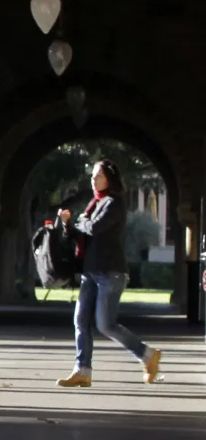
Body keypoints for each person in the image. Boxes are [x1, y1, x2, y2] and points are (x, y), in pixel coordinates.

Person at [55, 159, 163, 387]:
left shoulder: (114, 204)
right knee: (80, 321)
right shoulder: (96, 204)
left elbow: (94, 227)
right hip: (90, 271)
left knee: (105, 324)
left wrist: (82, 220)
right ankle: (82, 370)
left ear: (109, 179)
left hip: (110, 273)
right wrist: (68, 224)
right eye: (92, 176)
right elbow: (84, 236)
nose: (93, 179)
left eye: (98, 176)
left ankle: (148, 355)